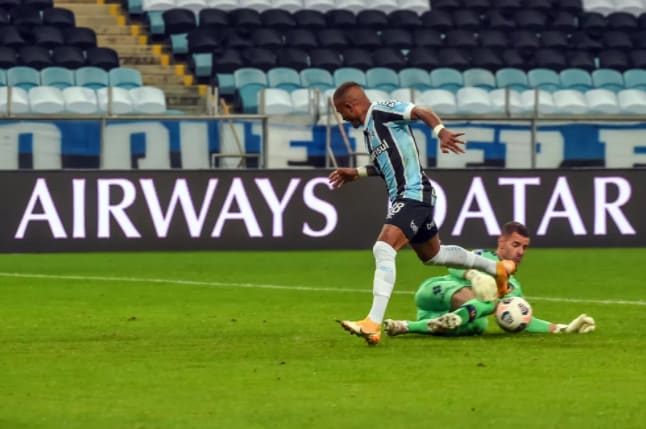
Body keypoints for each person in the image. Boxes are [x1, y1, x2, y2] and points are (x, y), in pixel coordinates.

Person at [328, 82, 516, 345]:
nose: (344, 118)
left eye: (342, 112)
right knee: (433, 255)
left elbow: (420, 111)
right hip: (408, 197)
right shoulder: (371, 132)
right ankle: (496, 268)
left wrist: (440, 131)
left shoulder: (381, 111)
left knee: (383, 249)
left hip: (413, 194)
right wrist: (356, 173)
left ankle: (372, 323)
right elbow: (387, 165)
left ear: (349, 105)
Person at [383, 221, 596, 337]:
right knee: (484, 300)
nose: (521, 252)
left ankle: (406, 326)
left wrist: (563, 328)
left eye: (525, 247)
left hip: (440, 315)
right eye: (516, 245)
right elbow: (452, 264)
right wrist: (472, 273)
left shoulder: (514, 287)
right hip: (436, 292)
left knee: (480, 325)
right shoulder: (484, 256)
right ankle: (456, 317)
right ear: (501, 242)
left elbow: (524, 319)